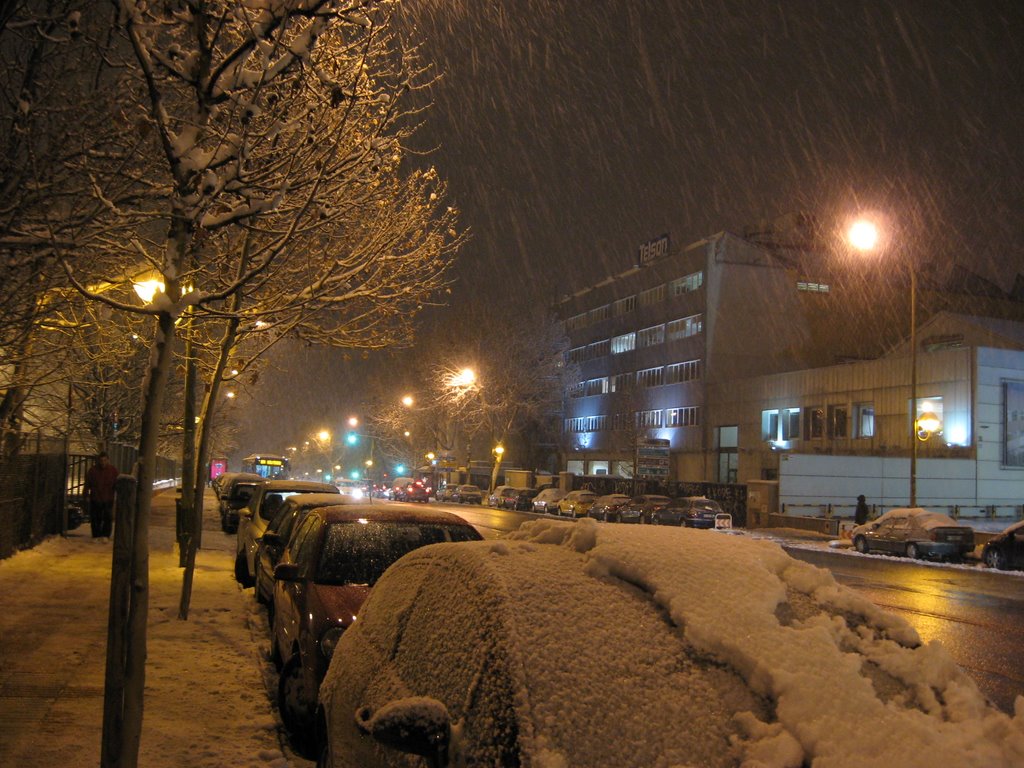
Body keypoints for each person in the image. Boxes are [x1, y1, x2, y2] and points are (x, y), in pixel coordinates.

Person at [85, 451, 119, 539]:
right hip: (97, 498)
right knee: (96, 518)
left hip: (107, 498)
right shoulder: (93, 471)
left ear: (108, 460)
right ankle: (97, 535)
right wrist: (85, 495)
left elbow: (116, 484)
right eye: (101, 460)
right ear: (98, 461)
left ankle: (105, 535)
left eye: (104, 460)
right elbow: (88, 483)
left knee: (107, 517)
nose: (103, 462)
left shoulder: (113, 471)